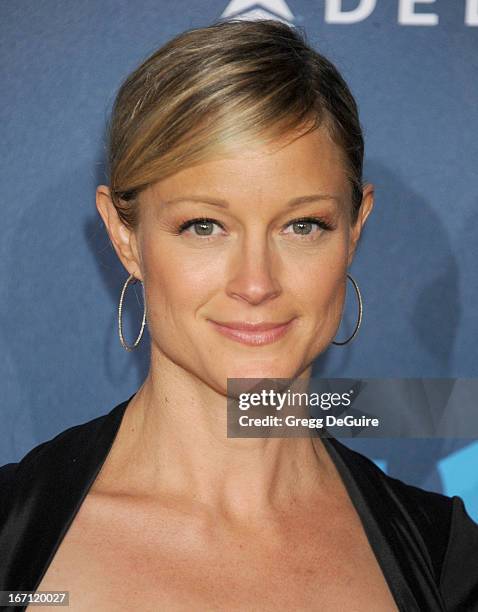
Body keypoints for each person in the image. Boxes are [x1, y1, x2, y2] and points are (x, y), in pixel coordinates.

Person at [1, 18, 477, 612]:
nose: (256, 283)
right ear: (125, 237)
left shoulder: (446, 560)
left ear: (354, 230)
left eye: (303, 226)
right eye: (204, 226)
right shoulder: (10, 546)